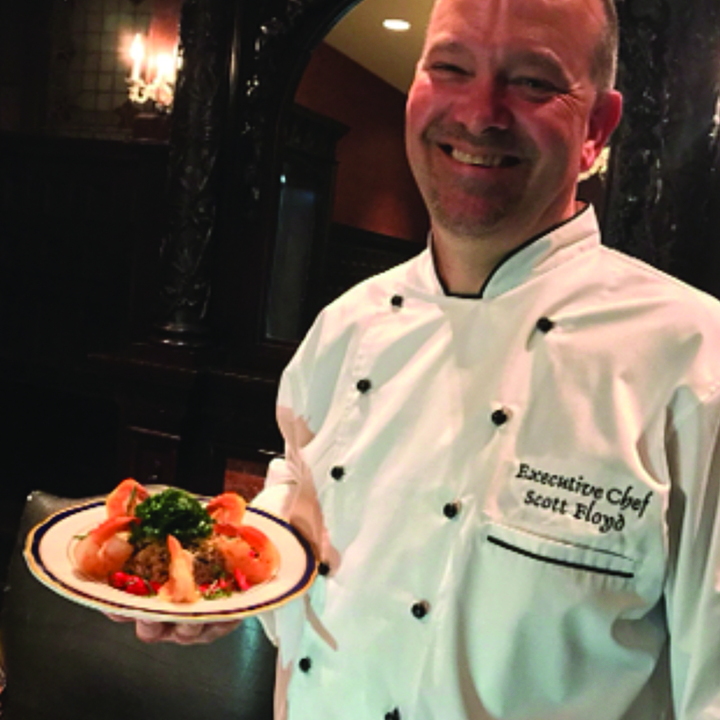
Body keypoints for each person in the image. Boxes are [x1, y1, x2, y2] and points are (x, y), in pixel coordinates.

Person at [133, 0, 720, 717]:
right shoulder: (344, 330)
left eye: (533, 81)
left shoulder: (696, 361)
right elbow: (294, 550)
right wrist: (214, 592)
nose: (479, 113)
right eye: (449, 66)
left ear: (596, 128)